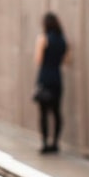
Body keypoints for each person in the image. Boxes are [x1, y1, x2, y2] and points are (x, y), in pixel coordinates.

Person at [34, 11, 70, 153]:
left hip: (45, 77)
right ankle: (55, 143)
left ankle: (44, 143)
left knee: (43, 113)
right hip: (57, 77)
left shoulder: (43, 38)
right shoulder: (63, 40)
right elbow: (67, 60)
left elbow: (38, 59)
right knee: (56, 112)